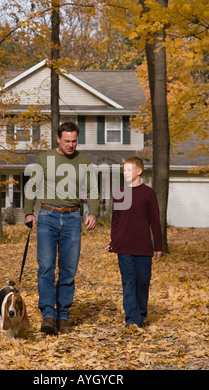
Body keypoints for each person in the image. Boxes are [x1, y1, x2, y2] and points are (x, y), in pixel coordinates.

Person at [24, 121, 99, 334]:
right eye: (67, 141)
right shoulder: (45, 158)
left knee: (68, 270)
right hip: (48, 216)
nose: (71, 145)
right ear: (58, 139)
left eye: (74, 141)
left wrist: (92, 212)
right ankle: (48, 314)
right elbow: (32, 186)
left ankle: (63, 315)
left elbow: (93, 190)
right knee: (46, 267)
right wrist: (29, 211)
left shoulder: (84, 161)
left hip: (73, 218)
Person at [105, 156, 162, 329]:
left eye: (129, 170)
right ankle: (132, 319)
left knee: (143, 281)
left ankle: (141, 314)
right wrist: (114, 241)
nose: (125, 173)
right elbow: (116, 221)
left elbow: (155, 221)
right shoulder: (120, 193)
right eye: (124, 170)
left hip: (144, 247)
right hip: (124, 247)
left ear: (139, 171)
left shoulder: (148, 193)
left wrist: (158, 245)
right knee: (128, 281)